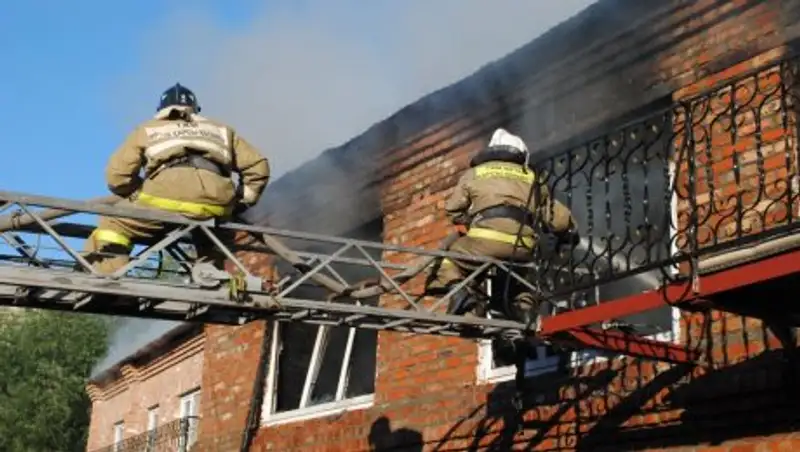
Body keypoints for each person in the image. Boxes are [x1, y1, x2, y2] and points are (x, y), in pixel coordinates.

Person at [82, 83, 270, 275]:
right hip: (217, 203)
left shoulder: (148, 129)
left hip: (165, 197)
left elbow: (118, 175)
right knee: (213, 236)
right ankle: (210, 278)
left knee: (112, 223)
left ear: (161, 111)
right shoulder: (222, 130)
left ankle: (108, 275)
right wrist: (240, 202)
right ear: (196, 110)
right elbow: (258, 167)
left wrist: (137, 194)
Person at [429, 128, 578, 323]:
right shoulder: (532, 177)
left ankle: (463, 296)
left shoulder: (475, 173)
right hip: (523, 244)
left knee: (452, 255)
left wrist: (472, 224)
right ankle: (525, 308)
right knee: (522, 273)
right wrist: (570, 233)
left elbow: (453, 210)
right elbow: (556, 218)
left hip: (485, 240)